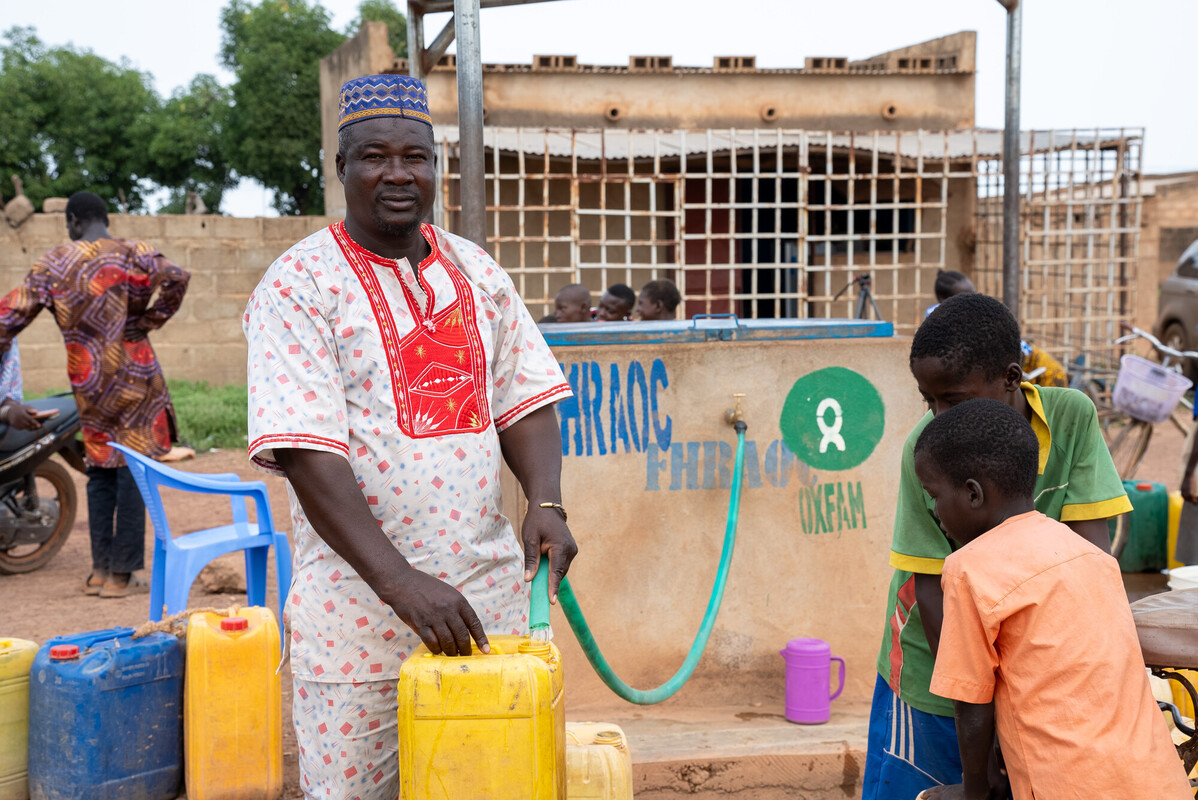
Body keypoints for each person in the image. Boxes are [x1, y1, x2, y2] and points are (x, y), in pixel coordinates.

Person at [243, 74, 577, 799]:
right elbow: (306, 451)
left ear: (436, 166)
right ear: (340, 169)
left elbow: (523, 398)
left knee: (482, 782)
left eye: (416, 157)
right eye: (373, 156)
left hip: (481, 604)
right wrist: (399, 583)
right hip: (357, 616)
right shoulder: (299, 285)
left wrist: (547, 504)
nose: (398, 174)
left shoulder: (476, 271)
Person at [860, 293, 1132, 800]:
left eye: (954, 400)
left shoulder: (1070, 417)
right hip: (938, 680)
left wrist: (1026, 697)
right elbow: (932, 591)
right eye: (929, 401)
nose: (939, 416)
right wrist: (978, 716)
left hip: (1032, 678)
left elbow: (1090, 561)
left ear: (1011, 378)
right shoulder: (927, 449)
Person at [913, 399, 1191, 799]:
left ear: (973, 494)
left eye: (934, 496)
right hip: (1155, 779)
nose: (936, 511)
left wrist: (976, 790)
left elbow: (972, 705)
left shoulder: (969, 568)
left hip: (1065, 785)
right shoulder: (1092, 556)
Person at [0, 191, 190, 598]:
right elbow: (177, 277)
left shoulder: (52, 264)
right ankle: (123, 577)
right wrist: (147, 321)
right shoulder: (134, 252)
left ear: (71, 222)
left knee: (100, 468)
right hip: (136, 375)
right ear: (105, 219)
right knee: (132, 470)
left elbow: (6, 318)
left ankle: (100, 572)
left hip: (88, 382)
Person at [0, 342, 44, 431]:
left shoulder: (9, 349)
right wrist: (6, 413)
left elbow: (10, 394)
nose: (9, 340)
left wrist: (12, 408)